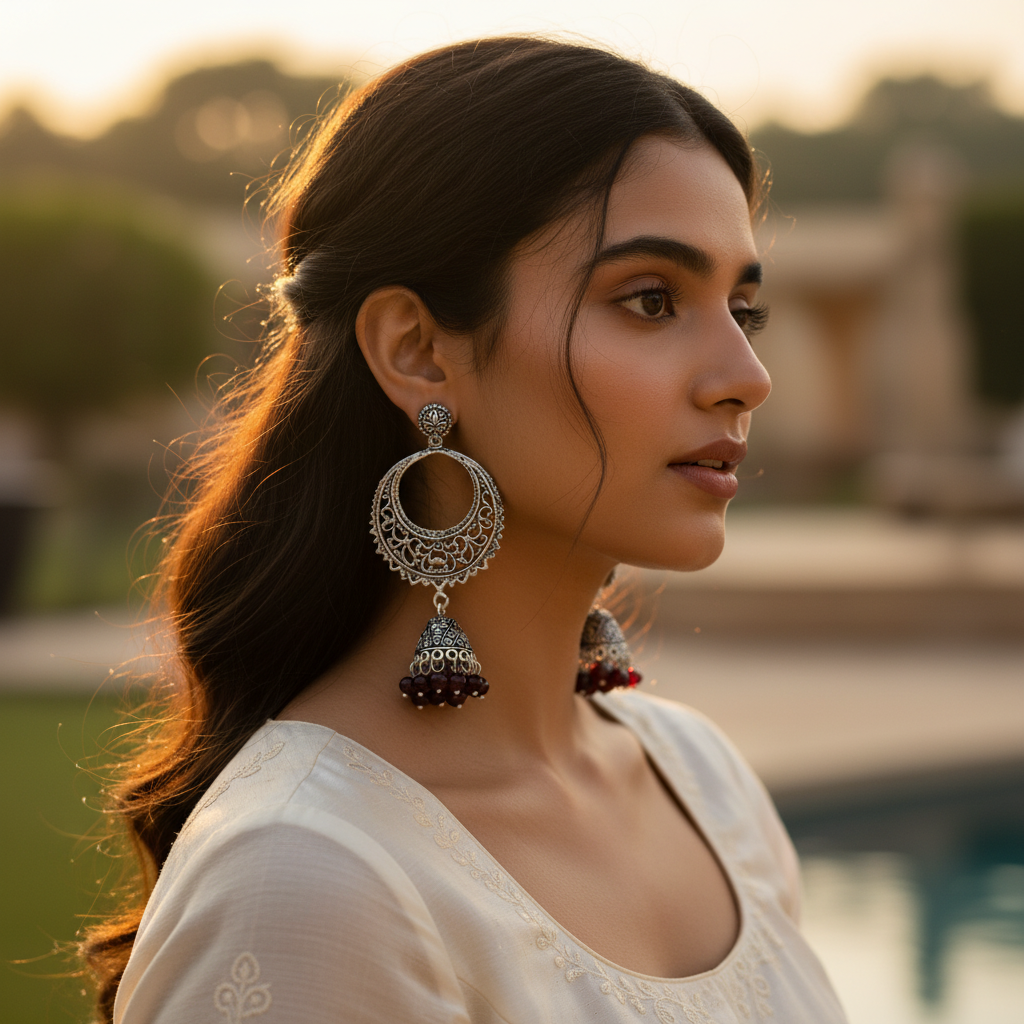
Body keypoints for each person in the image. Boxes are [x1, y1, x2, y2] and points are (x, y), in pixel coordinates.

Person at [85, 36, 848, 1023]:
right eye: (651, 299)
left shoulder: (701, 780)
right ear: (417, 351)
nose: (746, 374)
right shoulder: (308, 876)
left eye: (743, 307)